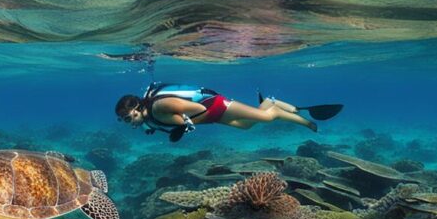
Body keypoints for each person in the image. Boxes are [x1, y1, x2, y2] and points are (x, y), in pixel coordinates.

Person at [114, 82, 342, 142]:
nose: (128, 123)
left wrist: (183, 127)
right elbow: (155, 125)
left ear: (138, 108)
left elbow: (198, 108)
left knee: (266, 117)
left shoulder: (159, 107)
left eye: (128, 118)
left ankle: (305, 122)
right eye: (124, 121)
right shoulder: (148, 119)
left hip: (216, 105)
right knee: (246, 126)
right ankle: (270, 102)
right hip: (213, 118)